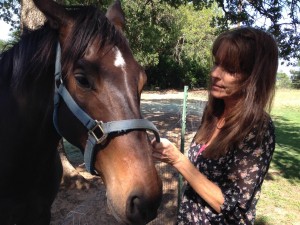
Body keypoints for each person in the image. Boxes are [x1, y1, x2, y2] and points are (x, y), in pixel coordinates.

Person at [152, 27, 278, 224]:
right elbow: (200, 175)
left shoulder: (258, 129)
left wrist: (178, 160)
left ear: (253, 77)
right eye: (216, 63)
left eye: (230, 69)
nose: (215, 73)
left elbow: (231, 206)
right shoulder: (213, 114)